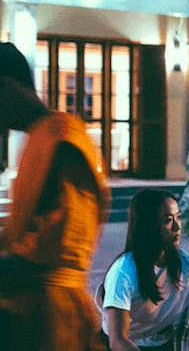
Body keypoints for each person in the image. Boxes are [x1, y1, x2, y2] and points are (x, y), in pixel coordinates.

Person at [0, 42, 110, 351]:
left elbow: (47, 259)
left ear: (6, 86)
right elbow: (23, 237)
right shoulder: (38, 138)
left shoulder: (63, 141)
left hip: (54, 321)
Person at [98, 189, 189, 351]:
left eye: (178, 217)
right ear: (148, 225)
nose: (177, 226)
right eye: (167, 220)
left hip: (164, 345)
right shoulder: (123, 272)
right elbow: (118, 340)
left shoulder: (184, 263)